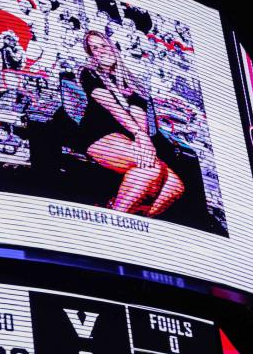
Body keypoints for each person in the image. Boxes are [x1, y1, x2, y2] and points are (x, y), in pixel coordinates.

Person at [77, 30, 183, 216]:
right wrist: (140, 136)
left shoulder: (134, 85)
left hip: (128, 137)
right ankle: (116, 217)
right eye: (94, 48)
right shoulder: (89, 73)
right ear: (91, 54)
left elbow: (140, 116)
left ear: (112, 47)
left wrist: (141, 140)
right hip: (98, 134)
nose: (101, 50)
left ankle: (137, 218)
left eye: (103, 45)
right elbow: (111, 106)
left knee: (175, 186)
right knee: (151, 170)